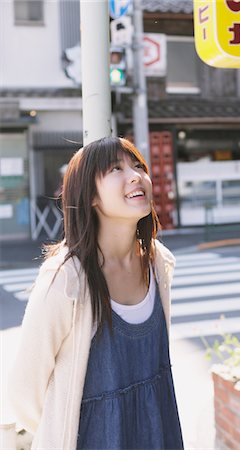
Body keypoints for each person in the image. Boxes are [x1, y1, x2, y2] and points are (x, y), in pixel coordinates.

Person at [8, 137, 184, 450]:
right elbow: (24, 392)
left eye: (138, 166)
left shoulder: (158, 263)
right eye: (116, 169)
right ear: (90, 196)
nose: (135, 176)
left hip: (159, 433)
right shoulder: (66, 280)